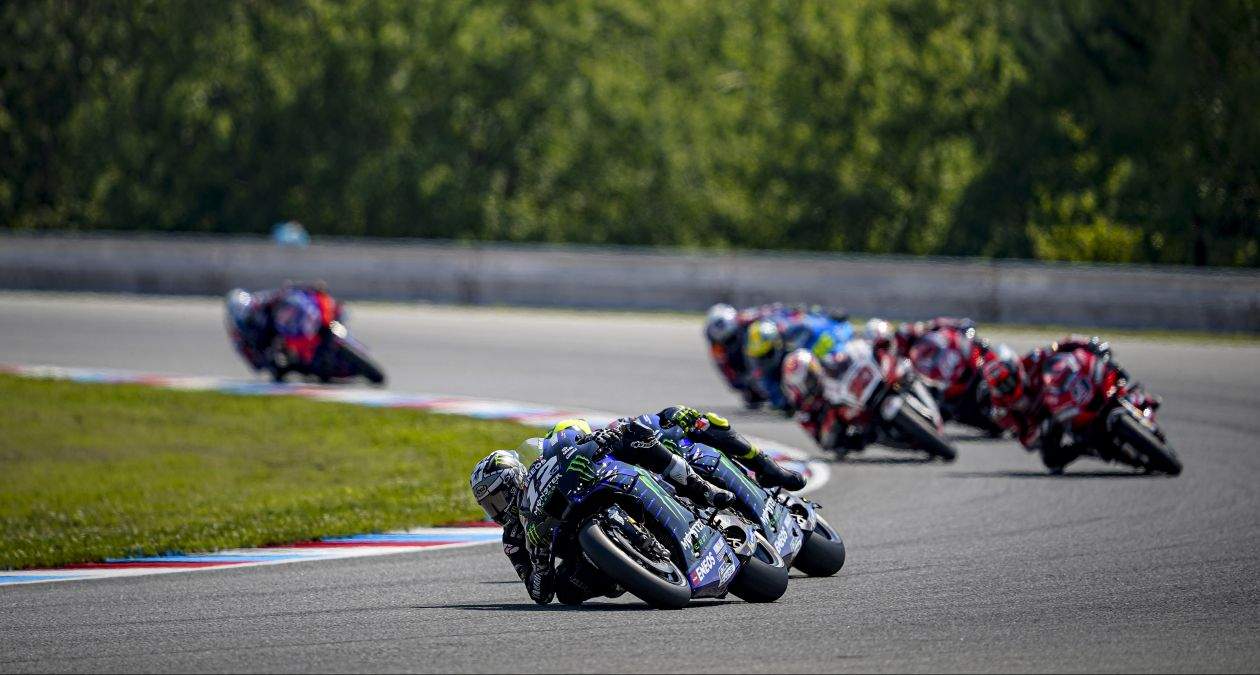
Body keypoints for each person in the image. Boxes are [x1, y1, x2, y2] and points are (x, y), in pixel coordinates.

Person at [471, 406, 806, 605]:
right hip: (588, 553)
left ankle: (703, 489)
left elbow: (572, 438)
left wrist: (597, 440)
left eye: (498, 497)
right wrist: (541, 564)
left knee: (642, 429)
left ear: (515, 479)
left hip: (603, 484)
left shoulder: (542, 469)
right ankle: (630, 568)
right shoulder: (514, 541)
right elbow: (539, 593)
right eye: (490, 504)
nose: (497, 509)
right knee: (568, 592)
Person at [982, 335, 1124, 473]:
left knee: (1098, 362)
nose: (1007, 387)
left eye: (1009, 381)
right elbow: (1025, 440)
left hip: (1068, 392)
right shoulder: (1003, 405)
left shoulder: (1032, 360)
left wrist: (1089, 344)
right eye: (1002, 386)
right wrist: (1038, 430)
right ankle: (1085, 445)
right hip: (1053, 420)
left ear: (1015, 370)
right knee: (1051, 460)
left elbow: (1061, 345)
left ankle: (1113, 385)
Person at [745, 307, 854, 412]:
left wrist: (790, 342)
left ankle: (786, 403)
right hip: (833, 361)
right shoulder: (848, 327)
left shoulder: (815, 323)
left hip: (810, 359)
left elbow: (790, 331)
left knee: (780, 377)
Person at [225, 282, 338, 379]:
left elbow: (284, 293)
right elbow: (255, 364)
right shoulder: (239, 336)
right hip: (273, 346)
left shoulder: (259, 302)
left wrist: (306, 287)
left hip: (286, 329)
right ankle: (310, 368)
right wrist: (267, 359)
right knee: (281, 370)